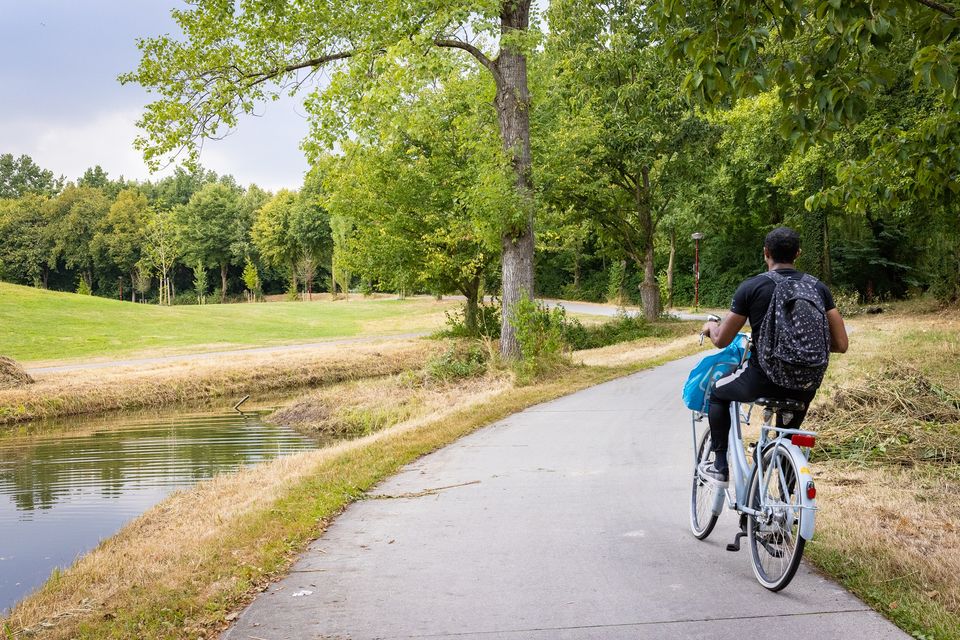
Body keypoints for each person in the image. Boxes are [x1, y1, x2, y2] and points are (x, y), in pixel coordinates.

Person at [697, 227, 848, 484]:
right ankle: (789, 502)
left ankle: (719, 466)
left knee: (718, 392)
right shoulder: (818, 288)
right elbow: (841, 344)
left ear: (766, 253)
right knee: (788, 435)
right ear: (798, 254)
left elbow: (722, 339)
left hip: (764, 378)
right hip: (806, 383)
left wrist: (710, 327)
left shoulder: (752, 287)